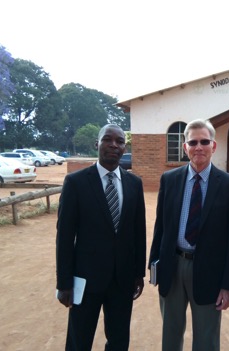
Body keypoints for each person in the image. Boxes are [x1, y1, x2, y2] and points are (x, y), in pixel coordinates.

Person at [149, 119, 229, 351]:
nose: (198, 147)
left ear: (214, 146)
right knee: (170, 334)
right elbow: (160, 227)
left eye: (204, 141)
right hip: (172, 267)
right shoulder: (169, 180)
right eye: (193, 142)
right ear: (185, 147)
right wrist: (155, 266)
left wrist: (228, 284)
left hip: (209, 272)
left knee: (206, 339)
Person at [56, 124, 146, 350]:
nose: (114, 145)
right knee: (79, 340)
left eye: (120, 141)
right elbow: (65, 237)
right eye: (108, 139)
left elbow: (138, 232)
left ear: (124, 148)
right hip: (85, 280)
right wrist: (64, 282)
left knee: (118, 340)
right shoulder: (76, 183)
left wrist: (138, 273)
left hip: (122, 280)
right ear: (97, 144)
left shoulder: (134, 184)